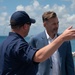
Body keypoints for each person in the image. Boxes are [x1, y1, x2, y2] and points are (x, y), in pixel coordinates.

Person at [0, 11, 75, 75]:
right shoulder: (19, 44)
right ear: (25, 26)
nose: (56, 26)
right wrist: (62, 38)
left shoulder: (5, 43)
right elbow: (38, 57)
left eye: (57, 23)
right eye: (53, 24)